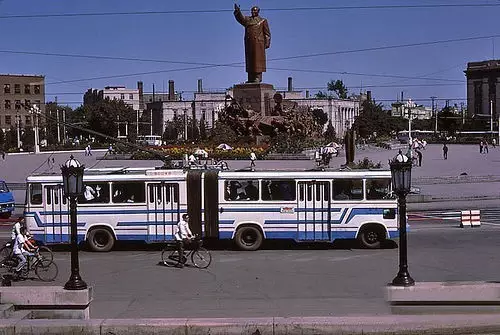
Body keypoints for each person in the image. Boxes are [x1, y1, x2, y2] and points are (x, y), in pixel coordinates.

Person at [233, 4, 271, 83]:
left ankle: (258, 77)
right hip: (249, 43)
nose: (253, 12)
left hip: (258, 43)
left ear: (258, 11)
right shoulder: (248, 20)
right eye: (252, 10)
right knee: (250, 60)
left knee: (257, 60)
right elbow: (241, 19)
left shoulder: (263, 20)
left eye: (255, 10)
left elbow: (267, 33)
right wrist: (238, 11)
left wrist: (267, 43)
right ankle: (250, 78)